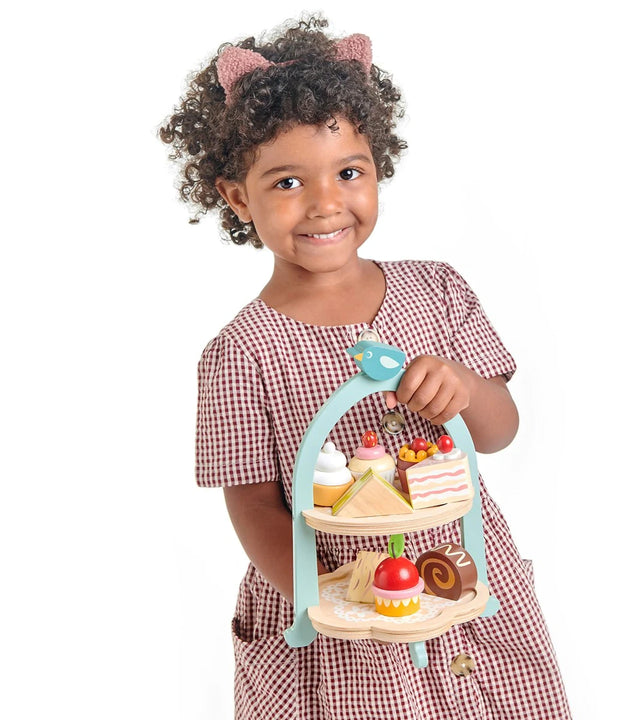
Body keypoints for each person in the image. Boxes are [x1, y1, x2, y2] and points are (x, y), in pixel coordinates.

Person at [160, 16, 572, 720]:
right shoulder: (240, 352)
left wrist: (466, 388)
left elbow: (500, 430)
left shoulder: (437, 291)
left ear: (377, 167)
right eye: (287, 181)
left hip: (460, 577)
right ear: (236, 196)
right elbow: (252, 502)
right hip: (336, 603)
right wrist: (329, 599)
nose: (326, 203)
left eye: (349, 172)